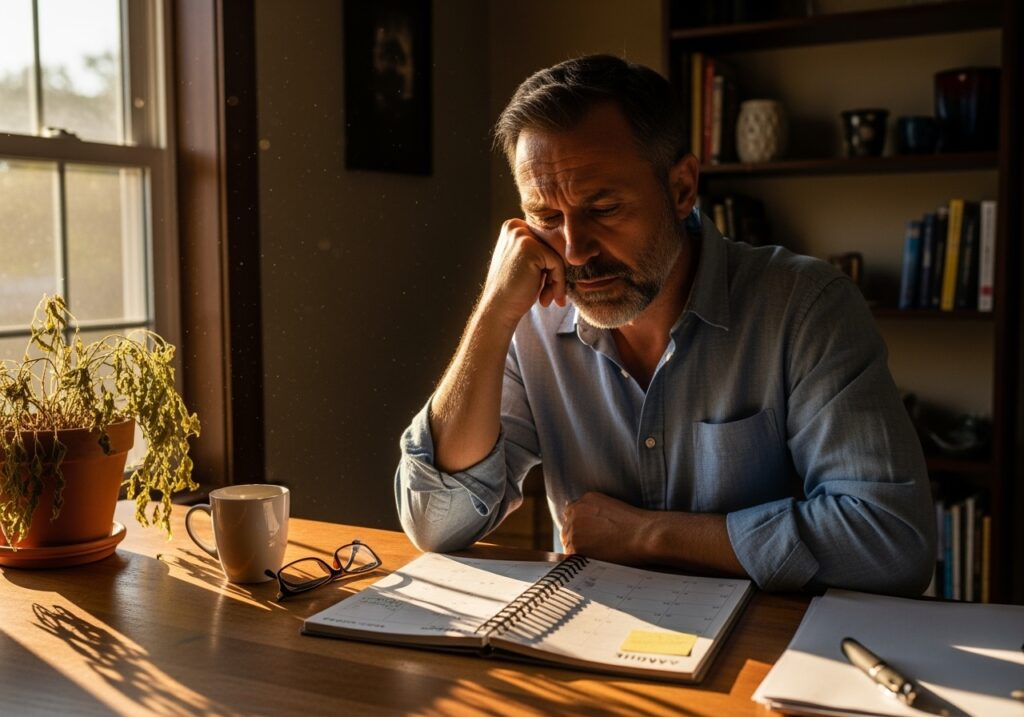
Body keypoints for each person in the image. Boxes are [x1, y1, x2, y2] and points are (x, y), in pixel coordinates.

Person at [394, 54, 935, 596]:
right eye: (547, 218)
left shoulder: (807, 307)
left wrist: (648, 535)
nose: (576, 251)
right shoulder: (529, 318)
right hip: (596, 649)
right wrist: (492, 313)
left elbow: (892, 542)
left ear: (681, 188)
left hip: (777, 658)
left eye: (603, 208)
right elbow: (436, 522)